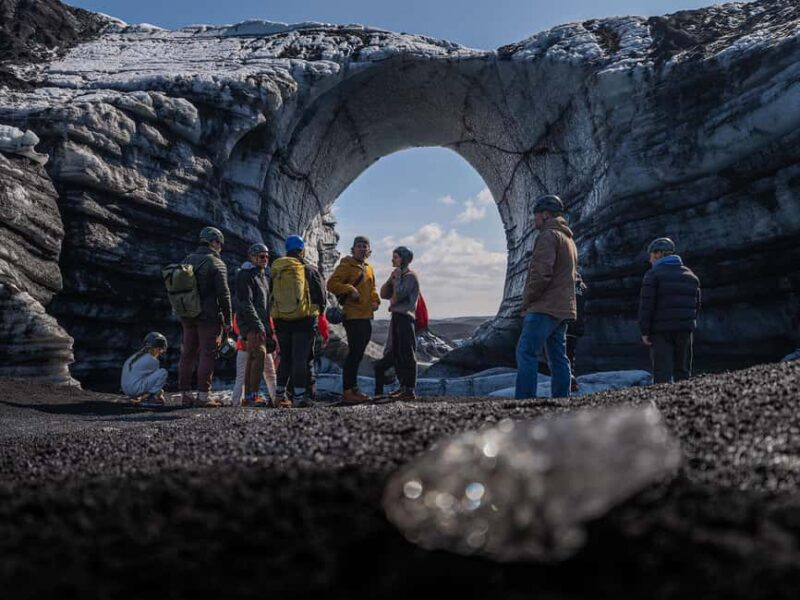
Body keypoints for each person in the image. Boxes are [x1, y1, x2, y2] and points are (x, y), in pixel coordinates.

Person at [515, 194, 578, 400]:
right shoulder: (568, 239)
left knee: (526, 351)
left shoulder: (548, 235)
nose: (534, 220)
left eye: (535, 216)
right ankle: (561, 398)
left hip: (544, 307)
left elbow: (541, 273)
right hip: (562, 308)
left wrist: (528, 301)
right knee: (558, 356)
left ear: (545, 214)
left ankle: (525, 399)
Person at [177, 226, 232, 408]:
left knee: (188, 353)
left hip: (187, 314)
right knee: (207, 354)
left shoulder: (186, 259)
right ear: (214, 242)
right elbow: (224, 295)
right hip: (208, 317)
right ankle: (203, 395)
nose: (220, 248)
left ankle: (185, 394)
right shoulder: (216, 263)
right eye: (220, 244)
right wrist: (228, 320)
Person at [271, 234, 326, 408]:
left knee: (285, 357)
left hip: (281, 320)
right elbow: (322, 296)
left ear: (286, 249)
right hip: (304, 321)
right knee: (300, 359)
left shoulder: (278, 269)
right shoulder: (309, 269)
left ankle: (278, 396)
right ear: (302, 249)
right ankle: (299, 396)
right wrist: (319, 313)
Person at [638, 237, 701, 384]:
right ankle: (686, 402)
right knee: (683, 372)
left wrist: (644, 331)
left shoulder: (653, 275)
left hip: (661, 332)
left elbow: (647, 306)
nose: (650, 260)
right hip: (685, 330)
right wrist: (689, 323)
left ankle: (662, 405)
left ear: (659, 254)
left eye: (651, 255)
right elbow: (696, 305)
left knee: (662, 373)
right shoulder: (691, 276)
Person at [326, 235, 380, 404]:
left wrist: (375, 299)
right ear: (353, 248)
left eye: (365, 246)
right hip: (352, 316)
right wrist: (349, 288)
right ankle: (348, 391)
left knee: (357, 354)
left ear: (368, 250)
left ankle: (353, 389)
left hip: (366, 315)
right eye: (359, 246)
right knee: (354, 354)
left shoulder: (368, 267)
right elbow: (331, 284)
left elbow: (373, 287)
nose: (362, 249)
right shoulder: (346, 264)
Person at [234, 243, 278, 406]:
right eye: (261, 256)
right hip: (252, 326)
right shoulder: (245, 275)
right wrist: (258, 325)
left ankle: (260, 396)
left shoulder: (263, 277)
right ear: (251, 257)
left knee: (262, 361)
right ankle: (251, 396)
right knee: (256, 356)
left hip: (262, 327)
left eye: (267, 256)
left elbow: (265, 306)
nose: (265, 259)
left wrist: (268, 328)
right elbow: (245, 302)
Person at [380, 246, 420, 401]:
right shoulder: (397, 276)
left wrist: (397, 279)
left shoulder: (410, 277)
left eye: (395, 257)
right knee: (397, 352)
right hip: (396, 317)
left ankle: (409, 389)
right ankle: (402, 386)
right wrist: (391, 279)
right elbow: (384, 294)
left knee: (407, 353)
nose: (392, 259)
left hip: (405, 317)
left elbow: (399, 295)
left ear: (403, 259)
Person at [121, 332, 169, 407]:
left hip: (125, 389)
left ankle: (138, 396)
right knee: (163, 372)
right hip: (134, 389)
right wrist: (156, 392)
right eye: (161, 350)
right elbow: (154, 381)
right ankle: (150, 398)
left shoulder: (135, 356)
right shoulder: (153, 361)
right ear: (157, 348)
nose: (160, 352)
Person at [565, 272, 587, 392]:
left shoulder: (568, 285)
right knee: (571, 353)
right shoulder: (583, 287)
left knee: (564, 354)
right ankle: (572, 380)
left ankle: (569, 382)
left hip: (567, 323)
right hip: (578, 325)